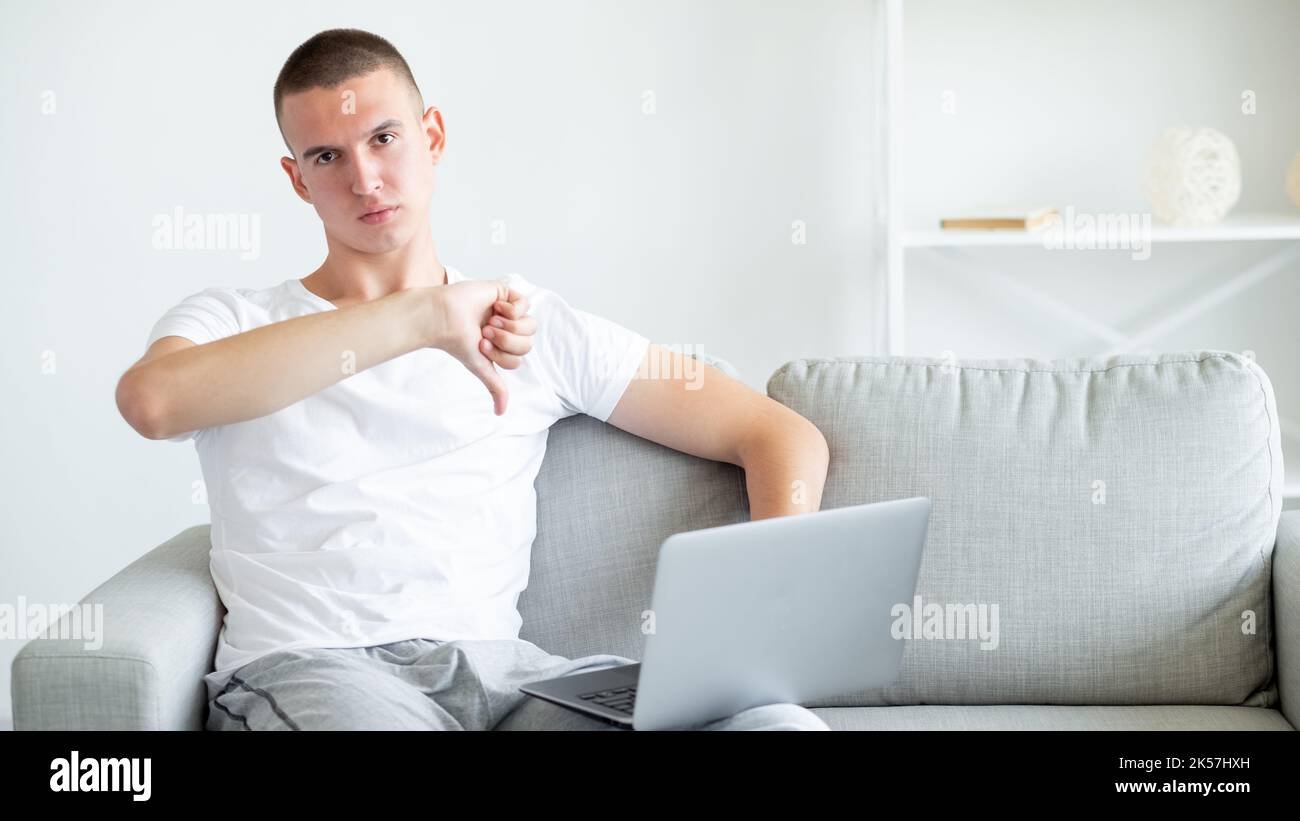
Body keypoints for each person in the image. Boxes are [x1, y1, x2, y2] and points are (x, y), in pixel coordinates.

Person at [115, 28, 831, 731]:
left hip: (509, 680)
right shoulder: (233, 319)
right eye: (328, 155)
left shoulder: (522, 319)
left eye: (384, 138)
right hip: (317, 668)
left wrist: (756, 628)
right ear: (296, 178)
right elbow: (152, 400)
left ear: (433, 134)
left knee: (775, 725)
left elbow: (776, 435)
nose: (363, 178)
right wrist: (424, 316)